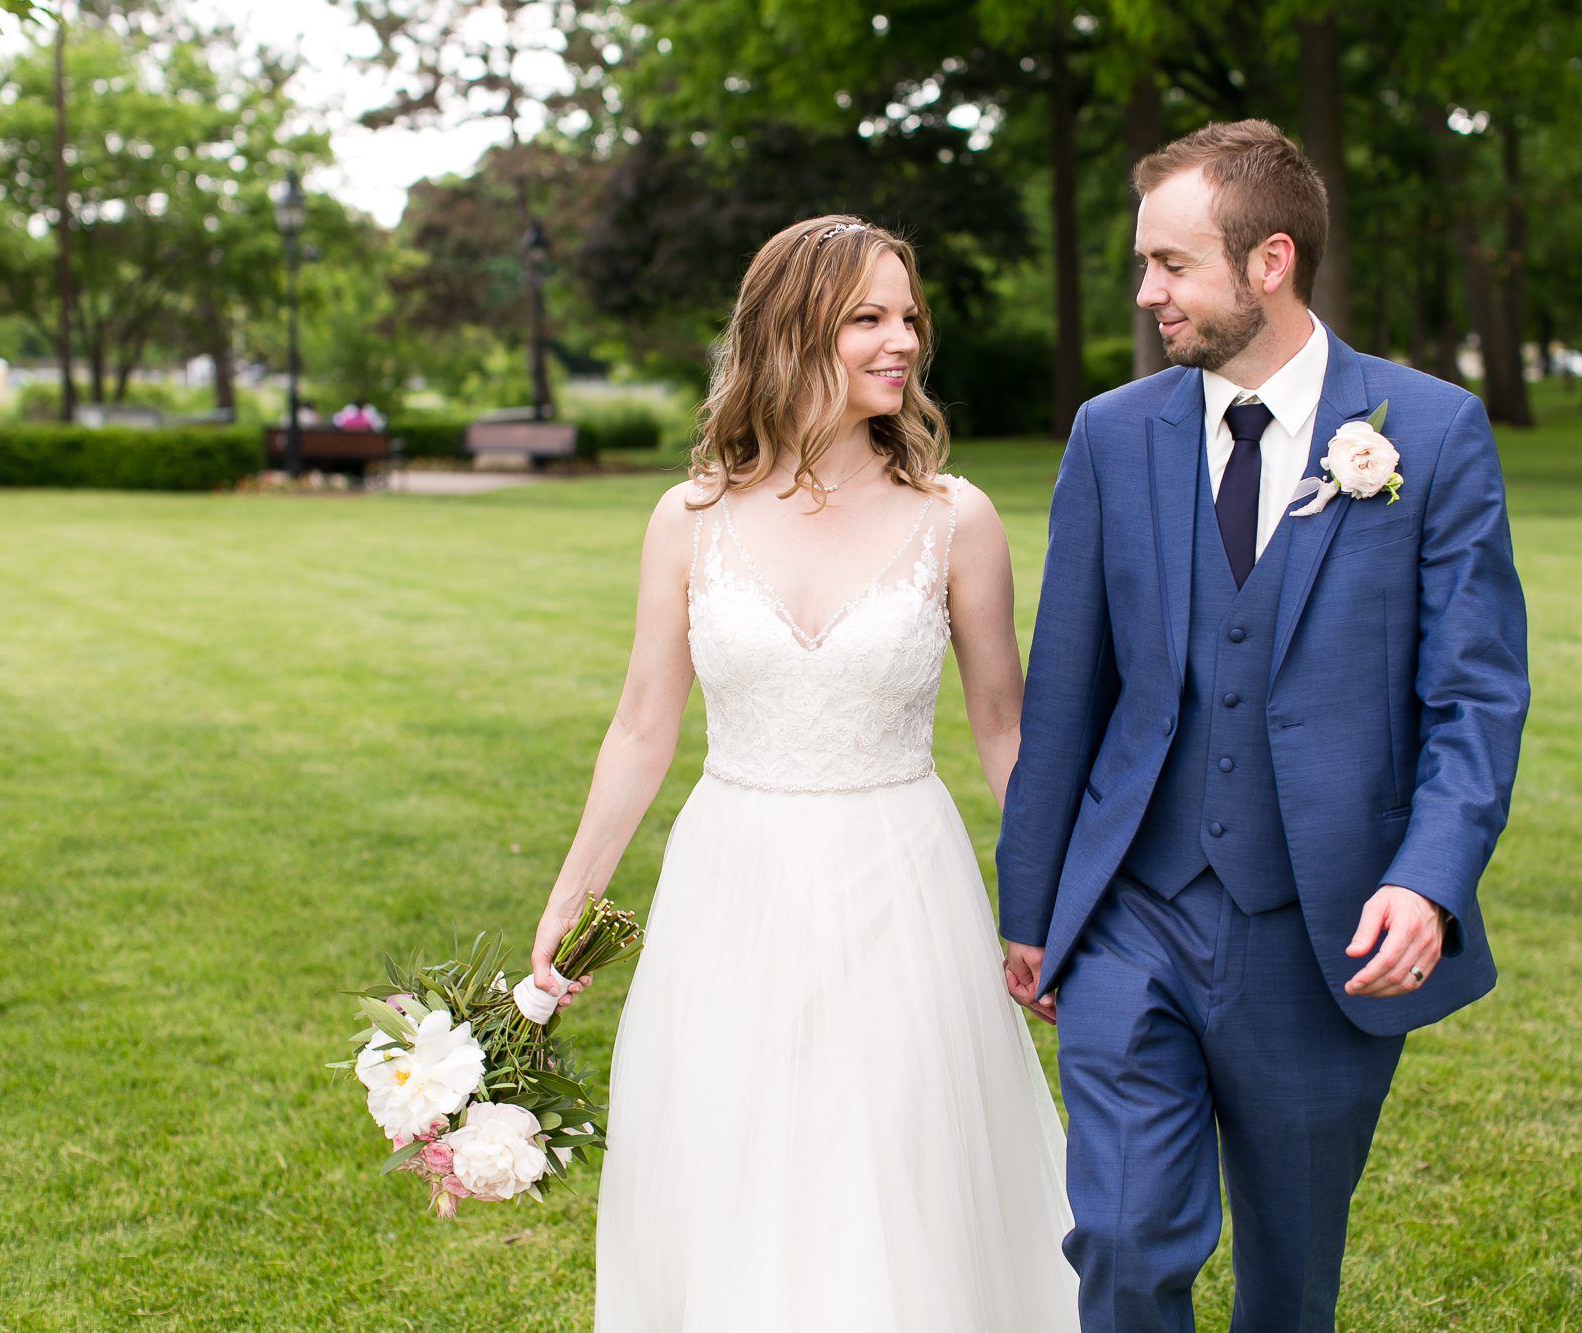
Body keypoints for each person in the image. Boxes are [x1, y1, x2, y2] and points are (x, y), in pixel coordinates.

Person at [996, 120, 1531, 1333]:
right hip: (1132, 911)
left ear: (1270, 261)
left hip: (1322, 926)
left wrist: (1427, 882)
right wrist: (1030, 910)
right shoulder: (1111, 434)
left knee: (1290, 1282)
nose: (1147, 294)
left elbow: (1474, 695)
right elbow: (1066, 689)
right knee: (1124, 1239)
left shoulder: (1426, 432)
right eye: (1144, 265)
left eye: (1171, 265)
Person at [528, 215, 1079, 1332]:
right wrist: (566, 903)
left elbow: (1003, 731)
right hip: (733, 884)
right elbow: (642, 728)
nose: (902, 341)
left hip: (900, 879)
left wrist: (1048, 908)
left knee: (893, 1163)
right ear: (790, 332)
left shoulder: (955, 519)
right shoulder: (687, 520)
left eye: (908, 315)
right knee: (740, 1160)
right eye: (867, 317)